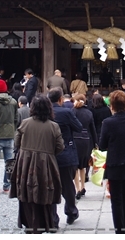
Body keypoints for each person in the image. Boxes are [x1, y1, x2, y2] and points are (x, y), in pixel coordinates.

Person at [9, 94, 64, 234]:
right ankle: (45, 223)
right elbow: (60, 147)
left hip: (25, 162)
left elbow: (17, 143)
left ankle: (28, 223)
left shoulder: (25, 123)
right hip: (46, 163)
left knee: (26, 193)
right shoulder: (54, 126)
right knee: (45, 192)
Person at [99, 90, 125, 234]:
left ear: (112, 106)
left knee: (116, 199)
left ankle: (120, 231)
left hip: (115, 164)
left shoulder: (108, 122)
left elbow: (102, 145)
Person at [50, 87, 83, 227]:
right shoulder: (66, 112)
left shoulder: (45, 112)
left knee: (50, 186)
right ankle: (71, 211)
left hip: (49, 153)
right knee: (67, 184)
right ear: (60, 99)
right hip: (66, 151)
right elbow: (79, 127)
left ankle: (52, 218)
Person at [72, 93, 98, 200]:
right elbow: (93, 129)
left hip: (75, 138)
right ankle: (83, 186)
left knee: (75, 165)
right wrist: (96, 143)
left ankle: (77, 188)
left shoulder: (72, 111)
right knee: (83, 165)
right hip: (86, 139)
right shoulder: (89, 112)